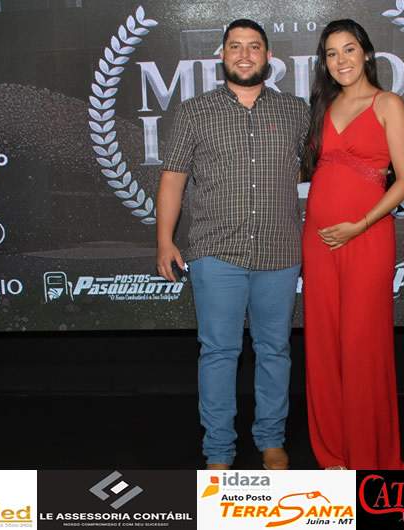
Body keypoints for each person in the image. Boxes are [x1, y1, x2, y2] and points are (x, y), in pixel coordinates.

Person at [156, 19, 309, 470]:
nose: (245, 55)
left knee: (274, 351)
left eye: (254, 46)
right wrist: (164, 241)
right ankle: (219, 450)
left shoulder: (296, 112)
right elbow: (172, 180)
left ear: (268, 55)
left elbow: (322, 166)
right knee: (219, 353)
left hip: (279, 252)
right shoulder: (195, 112)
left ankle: (271, 440)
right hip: (215, 253)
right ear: (222, 55)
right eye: (236, 46)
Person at [301, 19, 404, 470]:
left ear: (366, 53)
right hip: (318, 242)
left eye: (348, 49)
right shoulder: (322, 106)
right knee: (325, 345)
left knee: (362, 343)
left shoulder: (387, 103)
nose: (341, 60)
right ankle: (334, 452)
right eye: (331, 54)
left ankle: (368, 455)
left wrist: (360, 224)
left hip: (367, 237)